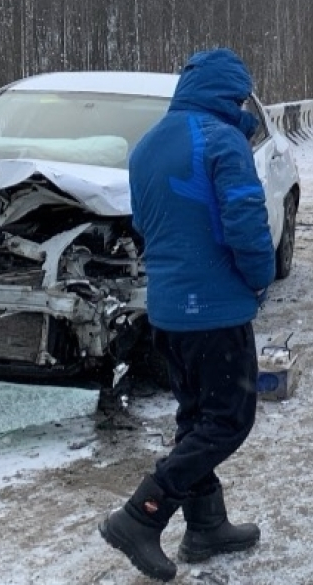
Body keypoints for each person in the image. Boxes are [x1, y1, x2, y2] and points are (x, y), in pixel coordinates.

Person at [100, 48, 275, 581]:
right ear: (231, 94)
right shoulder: (222, 140)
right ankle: (141, 514)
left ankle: (206, 526)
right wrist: (259, 278)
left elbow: (147, 225)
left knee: (196, 419)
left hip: (170, 312)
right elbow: (246, 220)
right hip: (215, 311)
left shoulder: (147, 145)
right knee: (227, 421)